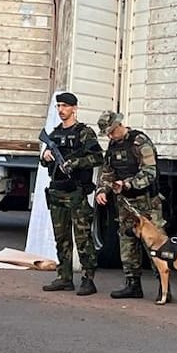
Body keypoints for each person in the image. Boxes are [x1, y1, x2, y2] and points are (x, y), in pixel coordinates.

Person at [94, 110, 166, 300]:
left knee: (155, 244)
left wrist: (127, 184)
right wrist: (102, 190)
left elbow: (150, 173)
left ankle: (164, 287)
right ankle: (132, 284)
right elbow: (107, 172)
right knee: (127, 243)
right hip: (125, 204)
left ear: (119, 125)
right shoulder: (113, 146)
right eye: (108, 134)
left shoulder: (140, 142)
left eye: (112, 131)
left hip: (147, 202)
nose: (110, 136)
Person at [40, 92, 105, 296]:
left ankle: (88, 279)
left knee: (83, 239)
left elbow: (97, 158)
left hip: (76, 193)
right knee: (62, 239)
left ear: (74, 108)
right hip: (57, 192)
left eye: (65, 106)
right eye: (59, 106)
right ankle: (64, 277)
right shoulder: (55, 133)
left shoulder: (84, 133)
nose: (61, 110)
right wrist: (46, 156)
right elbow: (44, 161)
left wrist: (75, 163)